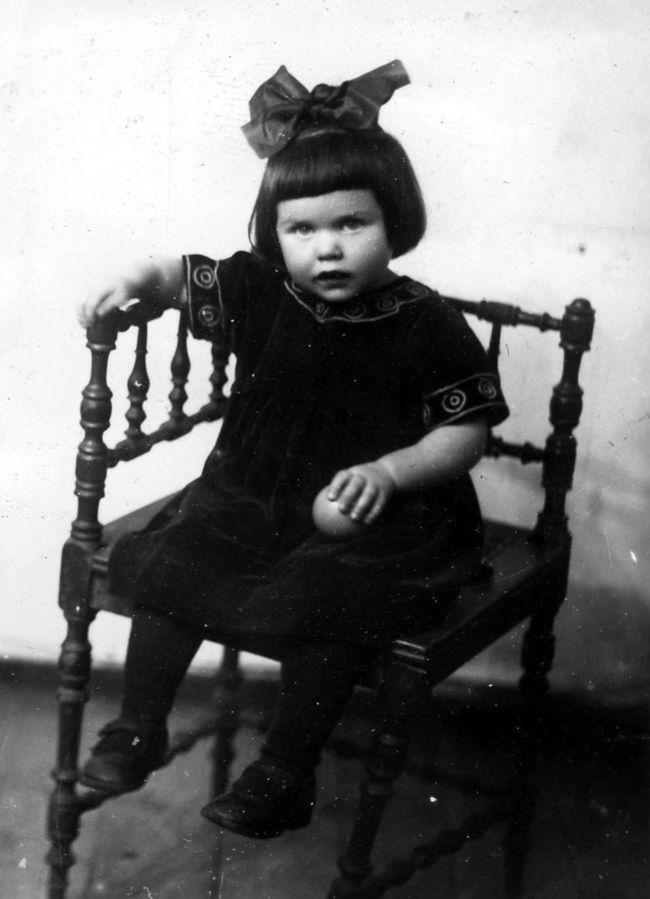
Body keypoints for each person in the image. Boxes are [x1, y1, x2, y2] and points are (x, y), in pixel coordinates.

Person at [78, 60, 508, 839]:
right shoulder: (262, 289)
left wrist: (391, 470)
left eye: (352, 224)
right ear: (274, 234)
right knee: (179, 557)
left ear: (395, 220)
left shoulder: (427, 320)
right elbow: (177, 276)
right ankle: (138, 727)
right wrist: (135, 272)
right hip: (254, 493)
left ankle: (284, 771)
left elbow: (464, 430)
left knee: (330, 600)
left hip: (377, 513)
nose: (327, 249)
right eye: (301, 229)